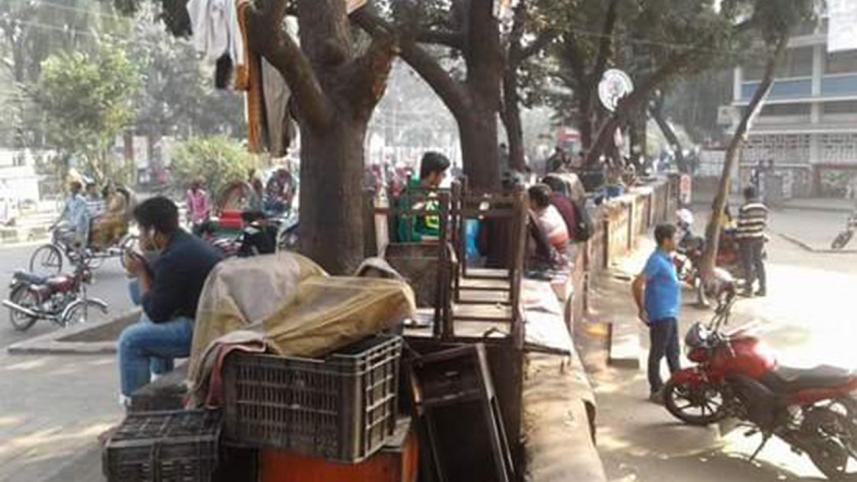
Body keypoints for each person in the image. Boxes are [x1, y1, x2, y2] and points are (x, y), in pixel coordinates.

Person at [117, 197, 222, 406]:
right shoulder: (184, 243)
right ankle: (159, 384)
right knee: (142, 306)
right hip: (207, 318)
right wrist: (146, 269)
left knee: (130, 340)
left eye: (141, 230)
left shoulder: (175, 257)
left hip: (203, 330)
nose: (139, 236)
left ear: (153, 231)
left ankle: (136, 410)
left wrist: (140, 274)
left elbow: (158, 312)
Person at [632, 224, 681, 403]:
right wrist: (641, 308)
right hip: (661, 314)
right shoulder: (656, 260)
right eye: (675, 237)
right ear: (666, 240)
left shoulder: (667, 259)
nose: (678, 240)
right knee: (657, 353)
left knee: (674, 353)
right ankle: (656, 389)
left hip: (671, 313)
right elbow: (637, 283)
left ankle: (680, 385)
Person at [396, 152, 450, 242]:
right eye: (442, 174)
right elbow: (406, 234)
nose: (443, 178)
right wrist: (437, 239)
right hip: (422, 251)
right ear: (432, 174)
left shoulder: (432, 194)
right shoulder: (412, 195)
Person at [736, 186, 768, 297]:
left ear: (746, 196)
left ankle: (748, 289)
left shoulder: (745, 208)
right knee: (759, 262)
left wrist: (738, 238)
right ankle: (763, 288)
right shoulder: (763, 207)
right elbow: (764, 223)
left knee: (748, 264)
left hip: (747, 239)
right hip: (759, 238)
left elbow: (741, 225)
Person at [58, 181, 91, 248]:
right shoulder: (69, 199)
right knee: (59, 233)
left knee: (77, 242)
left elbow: (80, 214)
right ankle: (73, 247)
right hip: (72, 223)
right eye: (71, 187)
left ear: (78, 189)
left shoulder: (81, 200)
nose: (71, 189)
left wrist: (74, 225)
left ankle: (81, 251)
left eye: (74, 187)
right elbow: (63, 212)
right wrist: (55, 223)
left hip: (81, 224)